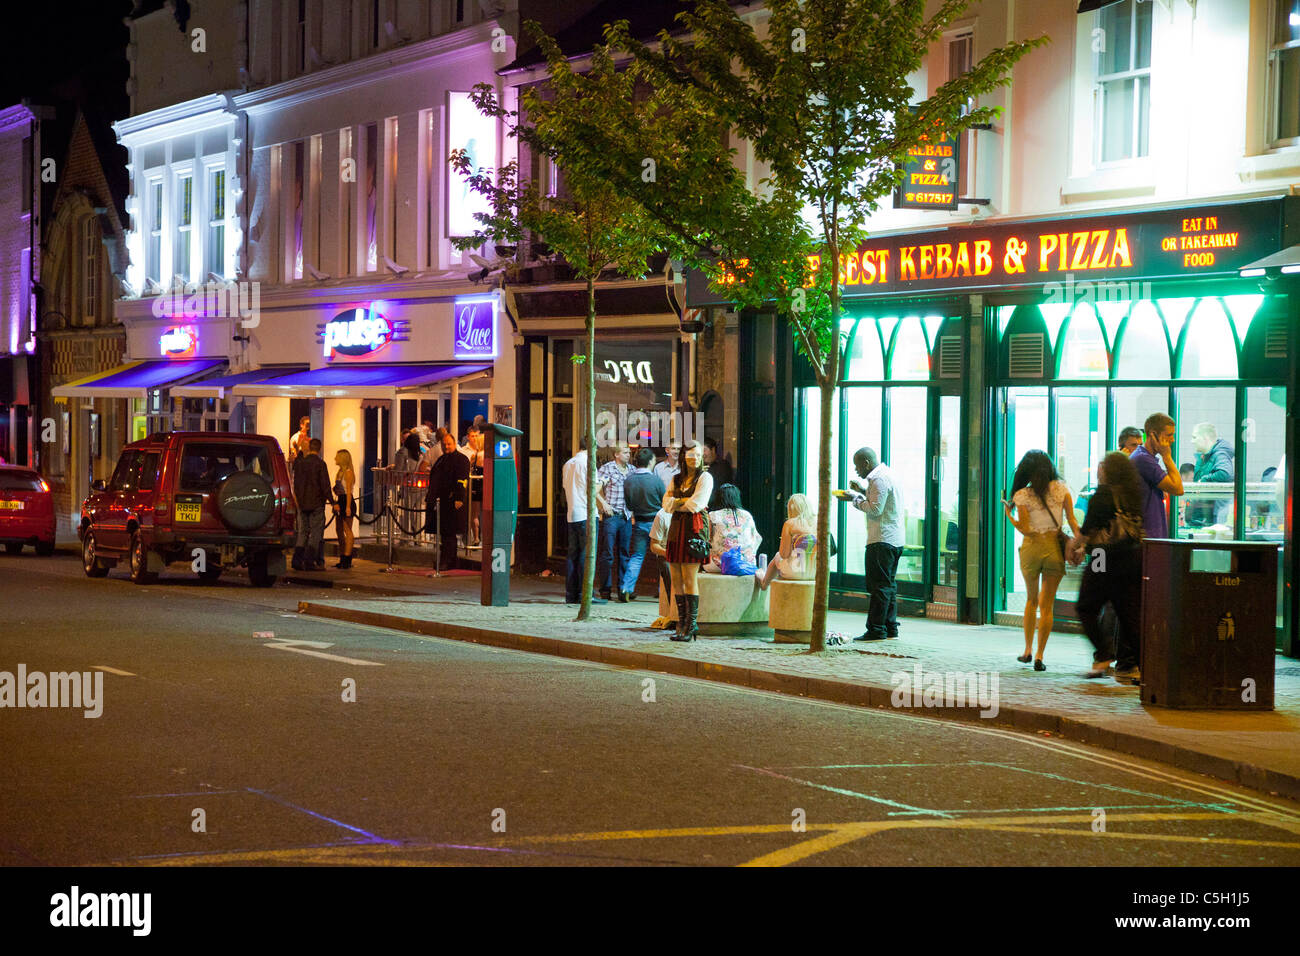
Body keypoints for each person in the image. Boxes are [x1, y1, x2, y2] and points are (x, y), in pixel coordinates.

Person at [1069, 451, 1146, 685]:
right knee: (1129, 615)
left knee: (1085, 606)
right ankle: (1147, 669)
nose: (1099, 468)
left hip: (1104, 557)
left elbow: (1087, 531)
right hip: (1133, 558)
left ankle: (1103, 655)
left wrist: (1072, 547)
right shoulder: (1132, 494)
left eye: (1102, 465)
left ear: (1109, 470)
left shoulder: (1102, 496)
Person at [1003, 449, 1081, 671]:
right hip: (1053, 550)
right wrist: (1079, 541)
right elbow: (1073, 521)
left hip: (1032, 549)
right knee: (1047, 606)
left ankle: (1027, 649)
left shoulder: (1022, 496)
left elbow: (1026, 530)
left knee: (1031, 601)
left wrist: (1009, 515)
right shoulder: (1062, 490)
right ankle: (1039, 655)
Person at [847, 447, 905, 642]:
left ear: (866, 463)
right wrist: (862, 491)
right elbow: (881, 500)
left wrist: (854, 500)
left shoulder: (878, 479)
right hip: (894, 540)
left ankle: (876, 629)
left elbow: (875, 509)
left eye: (857, 466)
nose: (856, 470)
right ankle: (890, 627)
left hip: (881, 539)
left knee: (878, 586)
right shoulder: (888, 475)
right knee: (888, 585)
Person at [662, 441, 714, 641]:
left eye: (698, 456)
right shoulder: (676, 479)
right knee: (676, 579)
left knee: (689, 578)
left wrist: (677, 502)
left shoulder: (705, 477)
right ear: (684, 457)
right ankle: (681, 624)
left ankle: (691, 625)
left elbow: (697, 505)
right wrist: (678, 503)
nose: (694, 459)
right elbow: (665, 504)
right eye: (690, 456)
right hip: (676, 529)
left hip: (693, 529)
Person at [562, 436, 604, 605]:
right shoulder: (588, 463)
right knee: (587, 555)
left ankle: (571, 594)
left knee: (573, 555)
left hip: (572, 513)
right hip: (586, 514)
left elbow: (566, 487)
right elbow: (593, 489)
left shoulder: (568, 463)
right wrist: (603, 482)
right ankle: (585, 594)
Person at [621, 448, 667, 601]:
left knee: (637, 556)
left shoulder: (628, 480)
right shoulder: (656, 480)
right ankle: (664, 590)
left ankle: (626, 587)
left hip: (640, 521)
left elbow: (628, 505)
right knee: (662, 556)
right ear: (650, 462)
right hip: (657, 522)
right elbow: (665, 502)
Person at [1130, 412, 1184, 539]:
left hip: (1151, 535)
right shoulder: (1143, 460)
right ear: (1153, 435)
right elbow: (1178, 489)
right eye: (1169, 435)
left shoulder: (1145, 458)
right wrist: (1167, 456)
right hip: (1148, 536)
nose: (1172, 440)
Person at [425, 431, 469, 571]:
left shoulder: (461, 460)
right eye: (444, 444)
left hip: (452, 501)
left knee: (449, 533)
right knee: (445, 533)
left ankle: (447, 561)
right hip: (441, 501)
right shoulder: (441, 459)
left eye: (449, 444)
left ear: (454, 444)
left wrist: (459, 497)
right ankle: (448, 560)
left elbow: (462, 480)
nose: (446, 447)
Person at [756, 493, 818, 590]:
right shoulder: (819, 523)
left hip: (794, 571)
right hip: (815, 573)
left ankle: (764, 583)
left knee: (777, 556)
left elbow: (784, 554)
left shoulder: (790, 523)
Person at [595, 443, 633, 601]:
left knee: (624, 554)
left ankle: (623, 589)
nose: (628, 455)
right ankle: (605, 589)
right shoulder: (608, 468)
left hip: (626, 516)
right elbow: (596, 489)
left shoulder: (632, 470)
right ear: (616, 454)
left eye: (629, 452)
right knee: (608, 554)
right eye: (625, 452)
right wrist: (604, 504)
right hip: (612, 516)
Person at [292, 438, 333, 571]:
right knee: (315, 533)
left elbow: (296, 484)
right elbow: (325, 485)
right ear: (319, 449)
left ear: (309, 448)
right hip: (316, 503)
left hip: (302, 503)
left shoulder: (300, 464)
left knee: (302, 532)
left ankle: (297, 561)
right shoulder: (321, 464)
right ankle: (309, 561)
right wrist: (332, 502)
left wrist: (298, 499)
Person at [703, 483, 761, 573]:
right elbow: (757, 538)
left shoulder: (713, 515)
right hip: (746, 564)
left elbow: (706, 540)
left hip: (719, 566)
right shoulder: (747, 515)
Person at [1191, 422, 1234, 527]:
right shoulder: (1204, 456)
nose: (1192, 441)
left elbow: (1225, 473)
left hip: (1218, 515)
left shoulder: (1220, 454)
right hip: (1207, 512)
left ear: (1205, 438)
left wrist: (1204, 480)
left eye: (1194, 437)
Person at [332, 449, 356, 569]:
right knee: (339, 529)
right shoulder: (339, 472)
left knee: (347, 530)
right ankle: (342, 556)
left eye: (337, 457)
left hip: (347, 501)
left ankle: (347, 558)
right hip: (340, 500)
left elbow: (348, 491)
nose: (335, 459)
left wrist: (347, 507)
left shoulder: (348, 472)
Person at [702, 438, 734, 508]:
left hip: (718, 508)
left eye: (704, 450)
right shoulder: (700, 466)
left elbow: (717, 488)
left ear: (713, 450)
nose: (702, 454)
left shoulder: (723, 466)